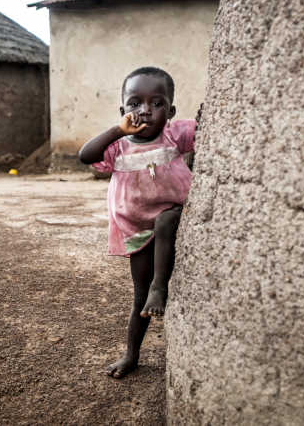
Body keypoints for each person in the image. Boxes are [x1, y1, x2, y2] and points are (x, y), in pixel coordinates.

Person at [78, 67, 199, 379]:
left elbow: (204, 132)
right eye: (135, 103)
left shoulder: (173, 135)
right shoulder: (118, 146)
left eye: (157, 104)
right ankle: (131, 355)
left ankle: (161, 285)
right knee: (139, 299)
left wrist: (208, 117)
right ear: (123, 112)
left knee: (167, 219)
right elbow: (85, 156)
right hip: (136, 229)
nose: (145, 110)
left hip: (172, 217)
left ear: (170, 111)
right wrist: (117, 131)